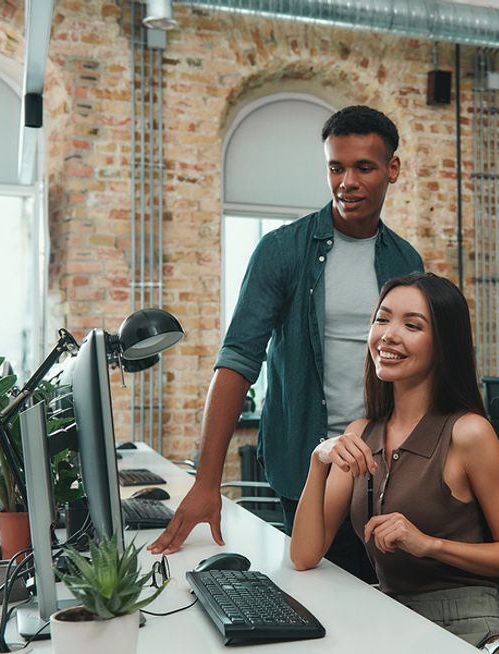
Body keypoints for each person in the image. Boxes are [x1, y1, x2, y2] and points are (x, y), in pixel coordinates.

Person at [149, 106, 423, 585]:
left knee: (383, 595)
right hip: (307, 459)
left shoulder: (405, 259)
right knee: (314, 585)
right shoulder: (282, 250)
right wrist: (207, 482)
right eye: (336, 167)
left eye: (364, 167)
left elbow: (418, 371)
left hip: (384, 464)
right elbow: (236, 363)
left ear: (391, 169)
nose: (347, 182)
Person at [290, 272, 499, 647]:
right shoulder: (360, 433)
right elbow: (305, 555)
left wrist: (428, 544)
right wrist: (318, 461)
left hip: (466, 624)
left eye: (412, 325)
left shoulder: (468, 433)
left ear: (443, 344)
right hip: (392, 617)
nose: (388, 334)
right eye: (382, 319)